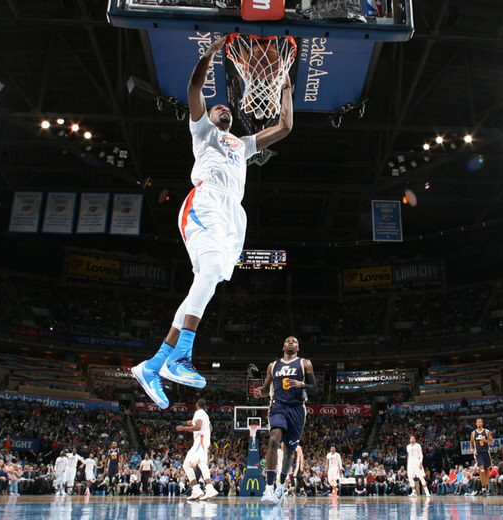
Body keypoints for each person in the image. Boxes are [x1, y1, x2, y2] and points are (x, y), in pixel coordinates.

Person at [133, 33, 294, 408]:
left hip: (231, 215)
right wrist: (208, 54)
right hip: (204, 201)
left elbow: (285, 126)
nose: (224, 109)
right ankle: (180, 356)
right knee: (206, 276)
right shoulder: (202, 132)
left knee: (204, 283)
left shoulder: (243, 145)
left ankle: (154, 364)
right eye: (217, 106)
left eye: (227, 109)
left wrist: (285, 83)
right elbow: (193, 86)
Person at [252, 336, 317, 504]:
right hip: (278, 406)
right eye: (288, 341)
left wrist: (301, 385)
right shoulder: (273, 366)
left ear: (298, 348)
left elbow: (315, 389)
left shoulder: (305, 364)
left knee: (289, 450)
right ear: (283, 346)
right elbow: (266, 390)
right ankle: (268, 488)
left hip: (296, 408)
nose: (291, 343)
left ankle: (281, 485)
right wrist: (261, 392)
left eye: (294, 341)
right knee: (273, 440)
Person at [177, 399, 219, 500]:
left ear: (197, 405)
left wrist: (183, 428)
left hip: (200, 439)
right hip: (201, 440)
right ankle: (196, 489)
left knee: (200, 462)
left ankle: (209, 488)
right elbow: (210, 428)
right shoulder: (205, 415)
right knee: (186, 464)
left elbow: (199, 427)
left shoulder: (199, 412)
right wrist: (192, 423)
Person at [470, 418, 494, 495]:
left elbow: (492, 443)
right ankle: (483, 486)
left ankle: (485, 486)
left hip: (486, 452)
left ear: (482, 423)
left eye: (480, 422)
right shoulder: (473, 433)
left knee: (486, 470)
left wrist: (485, 441)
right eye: (477, 422)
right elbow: (471, 442)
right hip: (478, 453)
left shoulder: (487, 432)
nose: (479, 423)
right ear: (476, 424)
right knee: (481, 468)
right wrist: (471, 449)